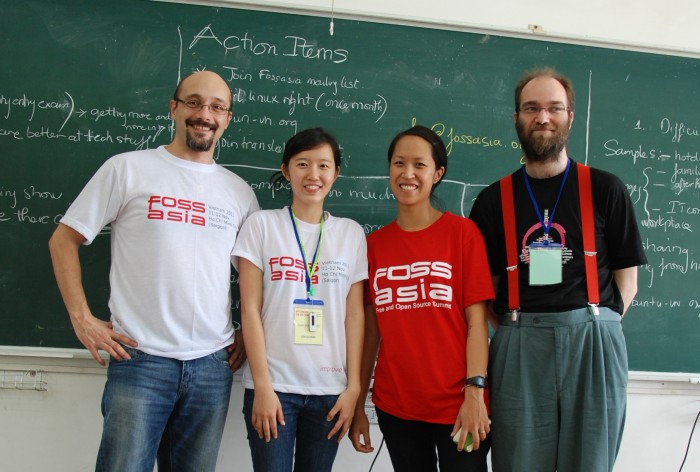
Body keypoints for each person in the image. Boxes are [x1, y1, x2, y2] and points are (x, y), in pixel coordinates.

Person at [48, 70, 259, 471]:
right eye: (194, 103)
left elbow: (255, 277)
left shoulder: (239, 192)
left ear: (227, 118)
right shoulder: (127, 169)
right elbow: (63, 240)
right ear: (173, 108)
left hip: (212, 365)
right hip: (140, 360)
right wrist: (81, 318)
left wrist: (249, 332)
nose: (205, 114)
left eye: (216, 107)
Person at [469, 67, 647, 472]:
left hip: (593, 341)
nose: (543, 117)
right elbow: (485, 293)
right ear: (516, 118)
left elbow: (628, 282)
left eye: (554, 107)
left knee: (591, 462)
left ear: (570, 116)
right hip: (519, 343)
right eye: (531, 108)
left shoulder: (606, 188)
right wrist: (521, 331)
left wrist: (595, 327)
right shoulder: (492, 201)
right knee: (518, 463)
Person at [349, 125, 494, 472]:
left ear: (437, 173)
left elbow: (477, 324)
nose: (408, 173)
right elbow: (371, 333)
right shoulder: (373, 246)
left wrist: (475, 392)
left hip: (459, 405)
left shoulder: (463, 234)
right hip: (397, 407)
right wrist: (357, 405)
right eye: (399, 163)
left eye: (419, 165)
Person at [232, 128, 367, 472]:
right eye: (302, 164)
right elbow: (250, 309)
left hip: (331, 392)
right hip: (274, 386)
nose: (313, 174)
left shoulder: (351, 233)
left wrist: (354, 388)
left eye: (323, 165)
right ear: (286, 169)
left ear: (336, 173)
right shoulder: (261, 226)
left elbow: (354, 314)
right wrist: (262, 386)